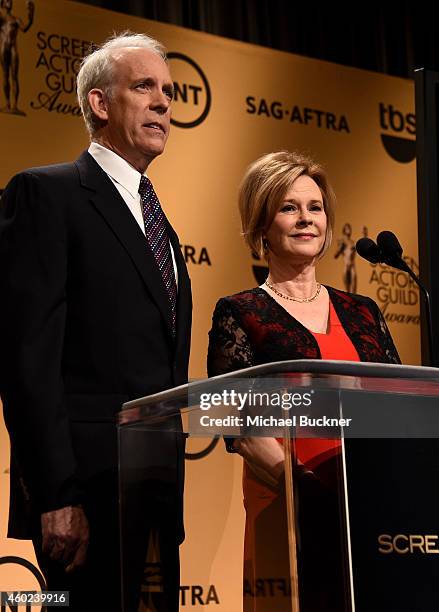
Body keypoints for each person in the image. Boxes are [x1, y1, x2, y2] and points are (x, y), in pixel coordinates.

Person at [0, 31, 192, 611]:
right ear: (100, 104)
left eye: (168, 90)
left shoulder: (162, 226)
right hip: (83, 496)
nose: (163, 102)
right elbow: (27, 358)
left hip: (156, 493)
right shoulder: (45, 195)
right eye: (144, 87)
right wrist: (56, 494)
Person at [207, 151, 400, 612]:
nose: (305, 219)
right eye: (289, 208)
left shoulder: (364, 311)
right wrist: (309, 492)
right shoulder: (241, 313)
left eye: (314, 208)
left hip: (372, 510)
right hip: (291, 507)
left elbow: (398, 405)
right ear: (262, 224)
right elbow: (240, 428)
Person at [0, 0, 34, 115]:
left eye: (10, 1)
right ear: (2, 4)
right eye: (7, 1)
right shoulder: (1, 17)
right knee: (5, 74)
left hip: (13, 48)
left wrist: (31, 14)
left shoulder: (16, 19)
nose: (9, 2)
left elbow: (25, 28)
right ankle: (7, 104)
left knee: (14, 76)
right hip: (4, 47)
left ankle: (14, 105)